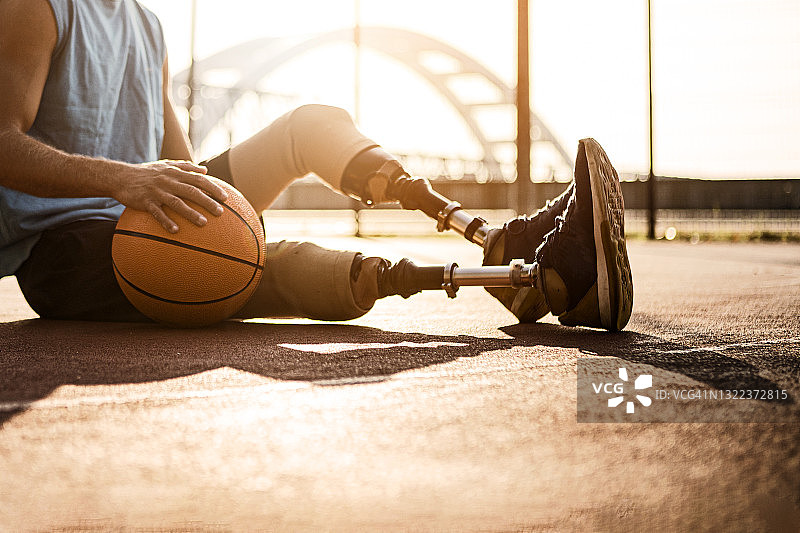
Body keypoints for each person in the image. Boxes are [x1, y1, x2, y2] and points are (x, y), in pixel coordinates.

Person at [0, 0, 632, 331]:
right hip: (67, 251)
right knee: (243, 259)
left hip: (144, 206)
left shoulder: (149, 26)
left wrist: (190, 200)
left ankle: (496, 244)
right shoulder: (40, 4)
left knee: (310, 124)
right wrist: (125, 179)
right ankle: (546, 277)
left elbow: (184, 170)